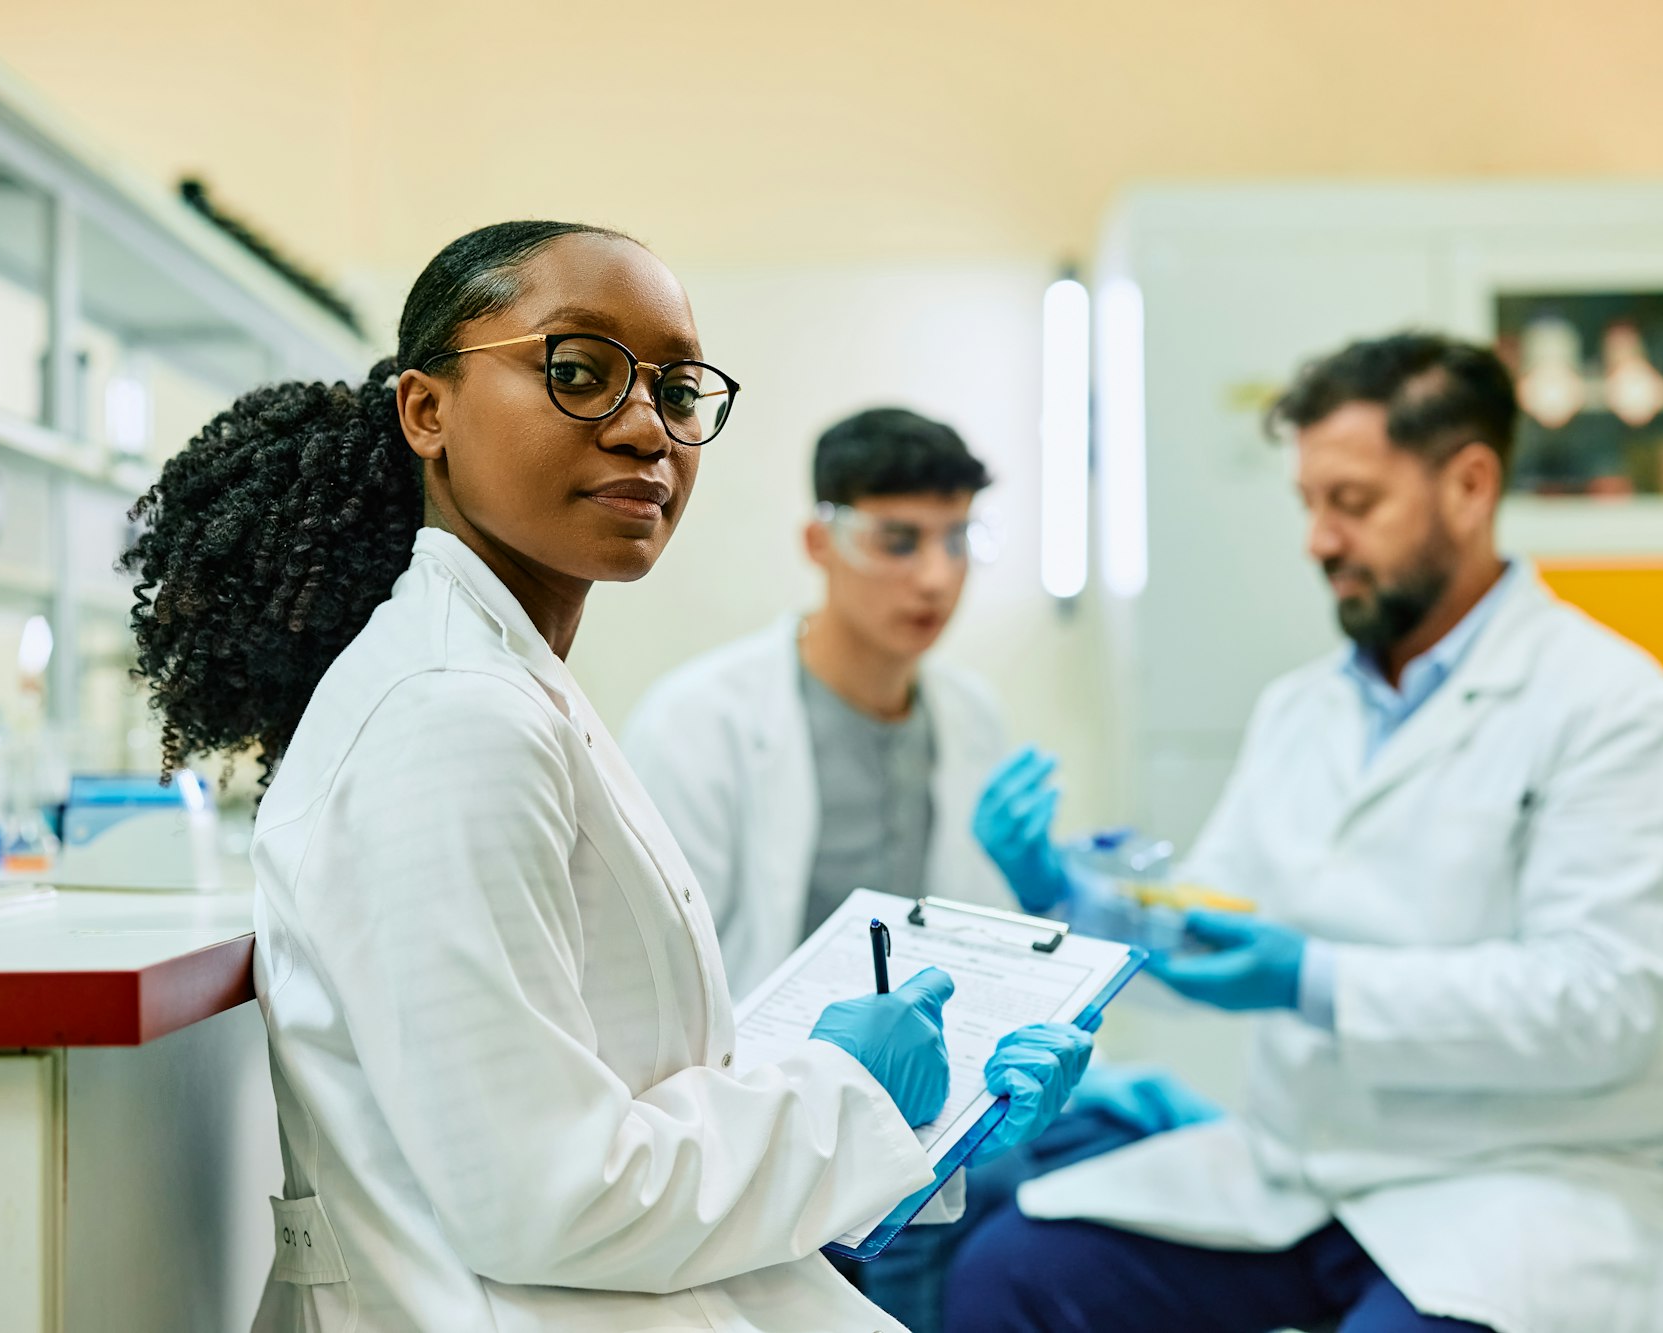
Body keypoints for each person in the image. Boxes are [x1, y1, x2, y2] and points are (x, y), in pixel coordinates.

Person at [121, 220, 1092, 1333]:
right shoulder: (449, 715)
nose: (645, 428)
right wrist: (847, 1085)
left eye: (678, 393)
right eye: (576, 373)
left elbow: (623, 1087)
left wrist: (932, 1105)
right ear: (425, 411)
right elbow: (547, 1196)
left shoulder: (506, 682)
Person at [945, 332, 1663, 1333]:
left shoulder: (1611, 708)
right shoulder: (1298, 709)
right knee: (1009, 1276)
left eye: (1350, 504)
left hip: (1515, 1187)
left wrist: (1315, 979)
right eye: (1307, 503)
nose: (1317, 540)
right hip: (1295, 1175)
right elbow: (1212, 918)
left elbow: (1597, 1003)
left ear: (1469, 486)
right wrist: (1067, 896)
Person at [624, 407, 1025, 998]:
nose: (937, 578)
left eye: (957, 539)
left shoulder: (972, 716)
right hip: (754, 1078)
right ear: (819, 542)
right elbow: (653, 977)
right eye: (899, 542)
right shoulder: (698, 724)